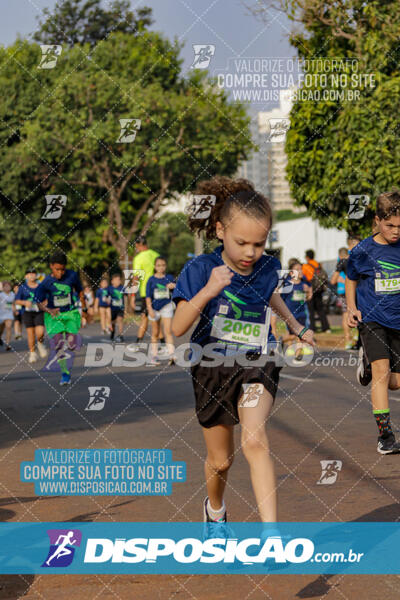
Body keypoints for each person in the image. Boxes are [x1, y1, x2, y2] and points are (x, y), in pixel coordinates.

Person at [171, 176, 315, 536]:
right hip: (211, 367)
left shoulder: (266, 267)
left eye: (260, 243)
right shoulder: (200, 269)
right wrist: (208, 291)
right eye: (242, 243)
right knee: (221, 461)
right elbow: (177, 327)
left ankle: (272, 534)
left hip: (256, 361)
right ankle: (215, 510)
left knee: (254, 439)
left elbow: (270, 296)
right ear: (220, 230)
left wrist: (295, 325)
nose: (251, 252)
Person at [346, 190, 400, 454]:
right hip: (372, 319)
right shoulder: (363, 250)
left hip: (398, 320)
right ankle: (385, 436)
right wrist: (351, 308)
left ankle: (365, 364)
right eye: (389, 225)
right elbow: (351, 278)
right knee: (382, 370)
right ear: (377, 220)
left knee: (395, 381)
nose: (395, 231)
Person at [35, 250, 88, 385]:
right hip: (54, 315)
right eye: (57, 269)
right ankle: (65, 373)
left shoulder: (72, 275)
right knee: (58, 345)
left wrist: (85, 309)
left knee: (71, 345)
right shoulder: (46, 282)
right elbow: (38, 302)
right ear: (51, 266)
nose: (60, 273)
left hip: (70, 314)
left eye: (63, 270)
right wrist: (48, 309)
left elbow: (80, 291)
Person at [145, 256, 176, 366]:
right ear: (155, 266)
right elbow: (148, 296)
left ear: (165, 266)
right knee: (155, 333)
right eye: (158, 265)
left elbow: (177, 288)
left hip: (166, 306)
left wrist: (174, 286)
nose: (161, 267)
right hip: (154, 308)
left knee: (168, 331)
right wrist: (150, 309)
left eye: (163, 265)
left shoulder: (169, 277)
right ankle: (154, 356)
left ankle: (172, 355)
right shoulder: (151, 280)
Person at [280, 258, 312, 360]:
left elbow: (307, 298)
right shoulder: (287, 284)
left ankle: (298, 354)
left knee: (301, 335)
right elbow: (280, 300)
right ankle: (282, 340)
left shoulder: (304, 284)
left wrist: (307, 293)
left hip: (302, 313)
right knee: (293, 335)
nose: (301, 271)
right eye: (297, 269)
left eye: (301, 269)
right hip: (290, 314)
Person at [130, 236, 160, 347]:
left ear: (139, 245)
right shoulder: (156, 255)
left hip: (145, 293)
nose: (135, 248)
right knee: (153, 318)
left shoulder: (138, 258)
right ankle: (138, 343)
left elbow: (136, 278)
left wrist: (133, 295)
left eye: (136, 246)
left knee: (147, 318)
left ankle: (157, 346)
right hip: (158, 290)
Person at [15, 268, 47, 363]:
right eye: (29, 274)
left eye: (33, 274)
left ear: (36, 275)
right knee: (31, 333)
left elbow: (46, 299)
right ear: (26, 276)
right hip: (27, 312)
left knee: (40, 332)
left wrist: (43, 304)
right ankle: (32, 353)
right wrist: (25, 302)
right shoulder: (22, 287)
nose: (31, 275)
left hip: (38, 311)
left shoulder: (41, 287)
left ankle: (40, 344)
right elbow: (17, 300)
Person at [302, 249, 330, 333]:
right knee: (320, 309)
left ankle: (312, 328)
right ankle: (326, 328)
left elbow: (304, 278)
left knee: (311, 310)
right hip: (319, 289)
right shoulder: (318, 264)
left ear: (307, 257)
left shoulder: (305, 266)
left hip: (311, 288)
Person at [331, 248, 353, 350]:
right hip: (354, 290)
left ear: (340, 255)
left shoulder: (341, 263)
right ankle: (356, 337)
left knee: (345, 314)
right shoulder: (353, 260)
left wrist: (342, 280)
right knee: (355, 312)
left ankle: (348, 340)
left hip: (343, 291)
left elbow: (332, 281)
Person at [108, 273, 126, 342]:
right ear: (112, 281)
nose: (119, 281)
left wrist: (126, 307)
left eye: (119, 280)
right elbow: (106, 297)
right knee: (112, 322)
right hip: (112, 308)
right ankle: (112, 333)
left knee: (120, 320)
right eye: (117, 280)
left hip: (120, 308)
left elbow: (125, 297)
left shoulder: (122, 288)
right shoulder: (110, 288)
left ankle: (121, 335)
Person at [0, 282, 15, 351]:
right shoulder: (1, 295)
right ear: (3, 288)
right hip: (1, 314)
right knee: (1, 329)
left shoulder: (13, 294)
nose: (7, 288)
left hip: (9, 313)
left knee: (8, 327)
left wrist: (15, 309)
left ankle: (8, 343)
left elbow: (14, 303)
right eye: (5, 286)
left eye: (8, 286)